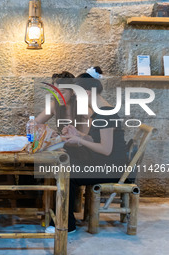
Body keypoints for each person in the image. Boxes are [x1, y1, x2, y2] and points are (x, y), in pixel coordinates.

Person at [45, 74, 127, 234]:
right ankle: (62, 219)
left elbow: (106, 149)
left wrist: (80, 141)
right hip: (103, 164)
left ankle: (66, 225)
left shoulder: (106, 113)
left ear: (87, 93)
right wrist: (79, 135)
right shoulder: (100, 111)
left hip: (111, 169)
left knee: (67, 173)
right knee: (63, 167)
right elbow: (97, 140)